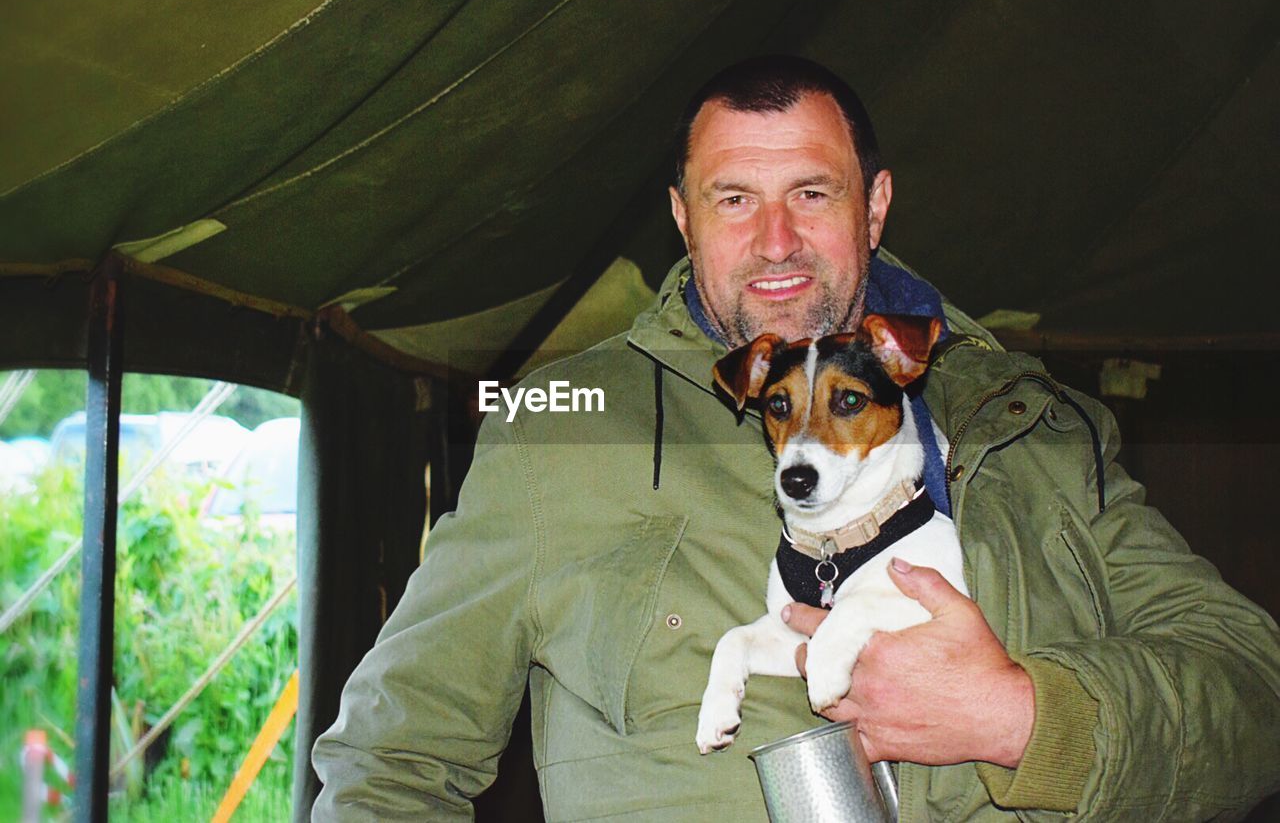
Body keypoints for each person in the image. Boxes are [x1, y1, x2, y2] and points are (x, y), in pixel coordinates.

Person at [311, 56, 1280, 820]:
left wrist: (1020, 715)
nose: (774, 239)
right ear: (684, 219)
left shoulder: (1028, 420)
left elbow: (1253, 697)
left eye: (811, 193)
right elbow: (394, 759)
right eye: (734, 198)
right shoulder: (562, 425)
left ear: (876, 203)